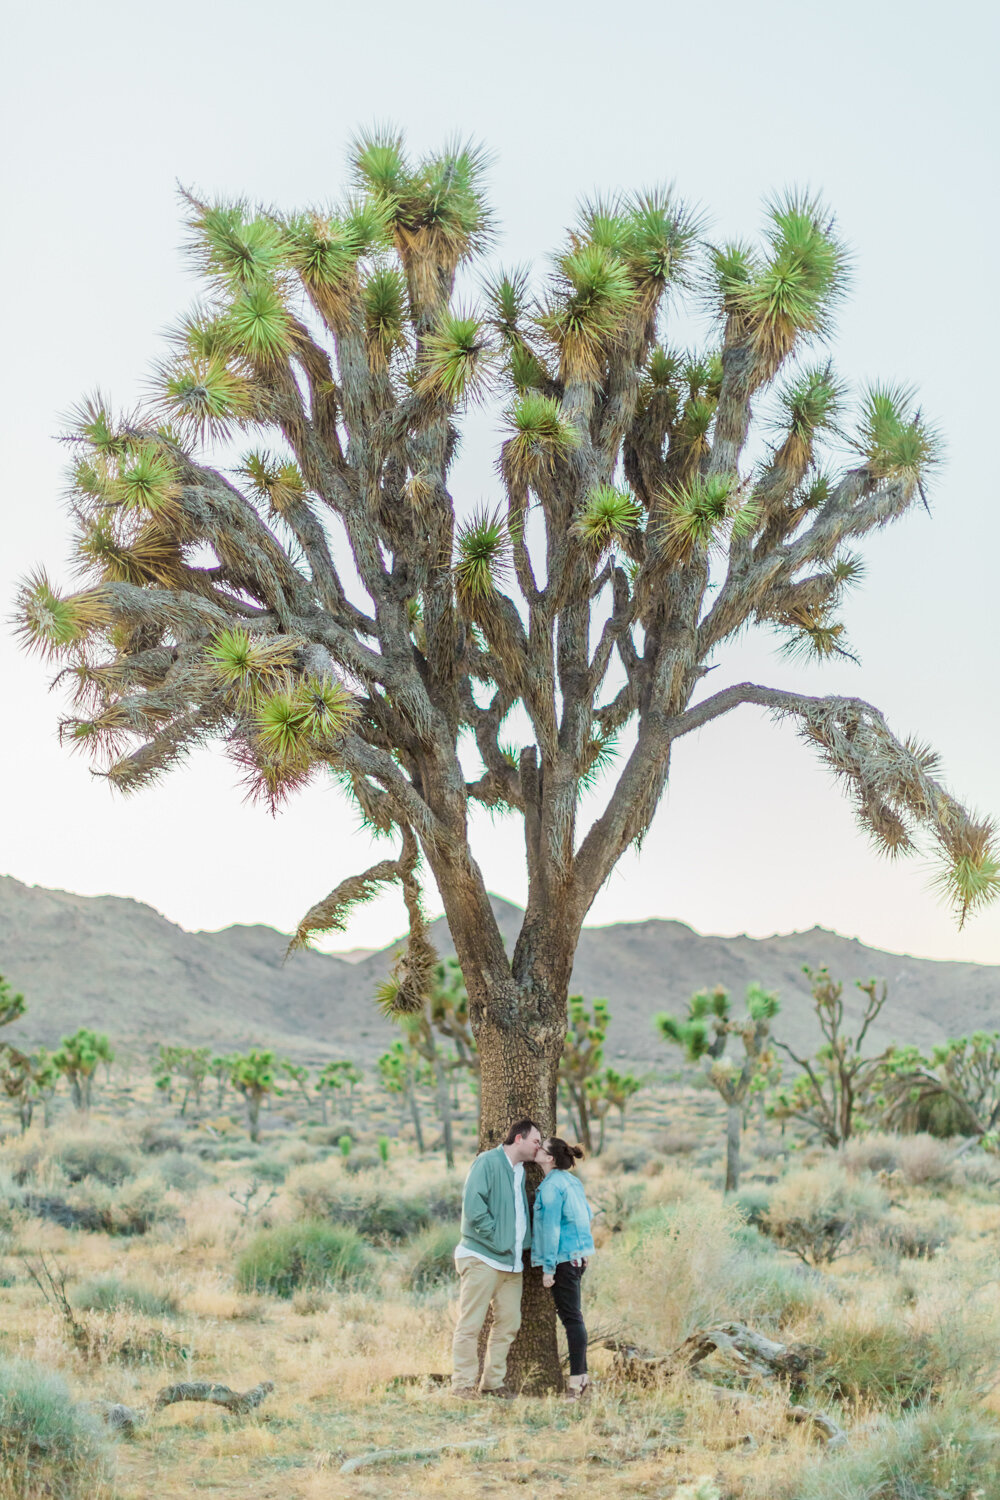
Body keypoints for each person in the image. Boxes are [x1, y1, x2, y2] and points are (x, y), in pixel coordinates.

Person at [450, 1118, 542, 1398]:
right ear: (519, 1139)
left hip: (511, 1264)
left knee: (509, 1323)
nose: (539, 1146)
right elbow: (474, 1207)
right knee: (470, 1324)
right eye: (536, 1141)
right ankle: (463, 1385)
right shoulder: (487, 1162)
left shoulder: (521, 1171)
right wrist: (498, 1239)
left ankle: (493, 1384)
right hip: (482, 1258)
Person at [532, 1136, 596, 1399]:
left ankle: (576, 1382)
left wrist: (548, 1269)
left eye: (541, 1147)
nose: (537, 1148)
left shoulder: (550, 1187)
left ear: (549, 1158)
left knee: (572, 1319)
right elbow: (587, 1216)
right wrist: (582, 1250)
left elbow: (551, 1229)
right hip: (576, 1258)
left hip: (560, 1261)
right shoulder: (572, 1182)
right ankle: (581, 1378)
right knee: (574, 1318)